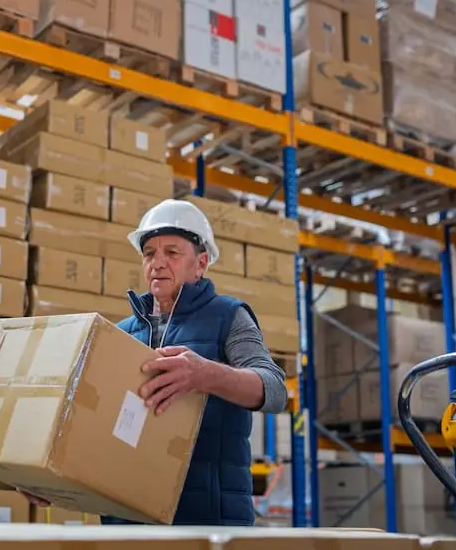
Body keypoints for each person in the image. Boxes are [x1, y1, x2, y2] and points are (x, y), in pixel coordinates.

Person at [25, 199, 288, 526]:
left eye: (172, 253)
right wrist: (56, 476)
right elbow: (91, 423)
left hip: (205, 521)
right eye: (149, 253)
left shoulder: (229, 317)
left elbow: (275, 391)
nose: (158, 263)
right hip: (125, 519)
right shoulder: (119, 335)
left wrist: (204, 375)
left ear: (201, 263)